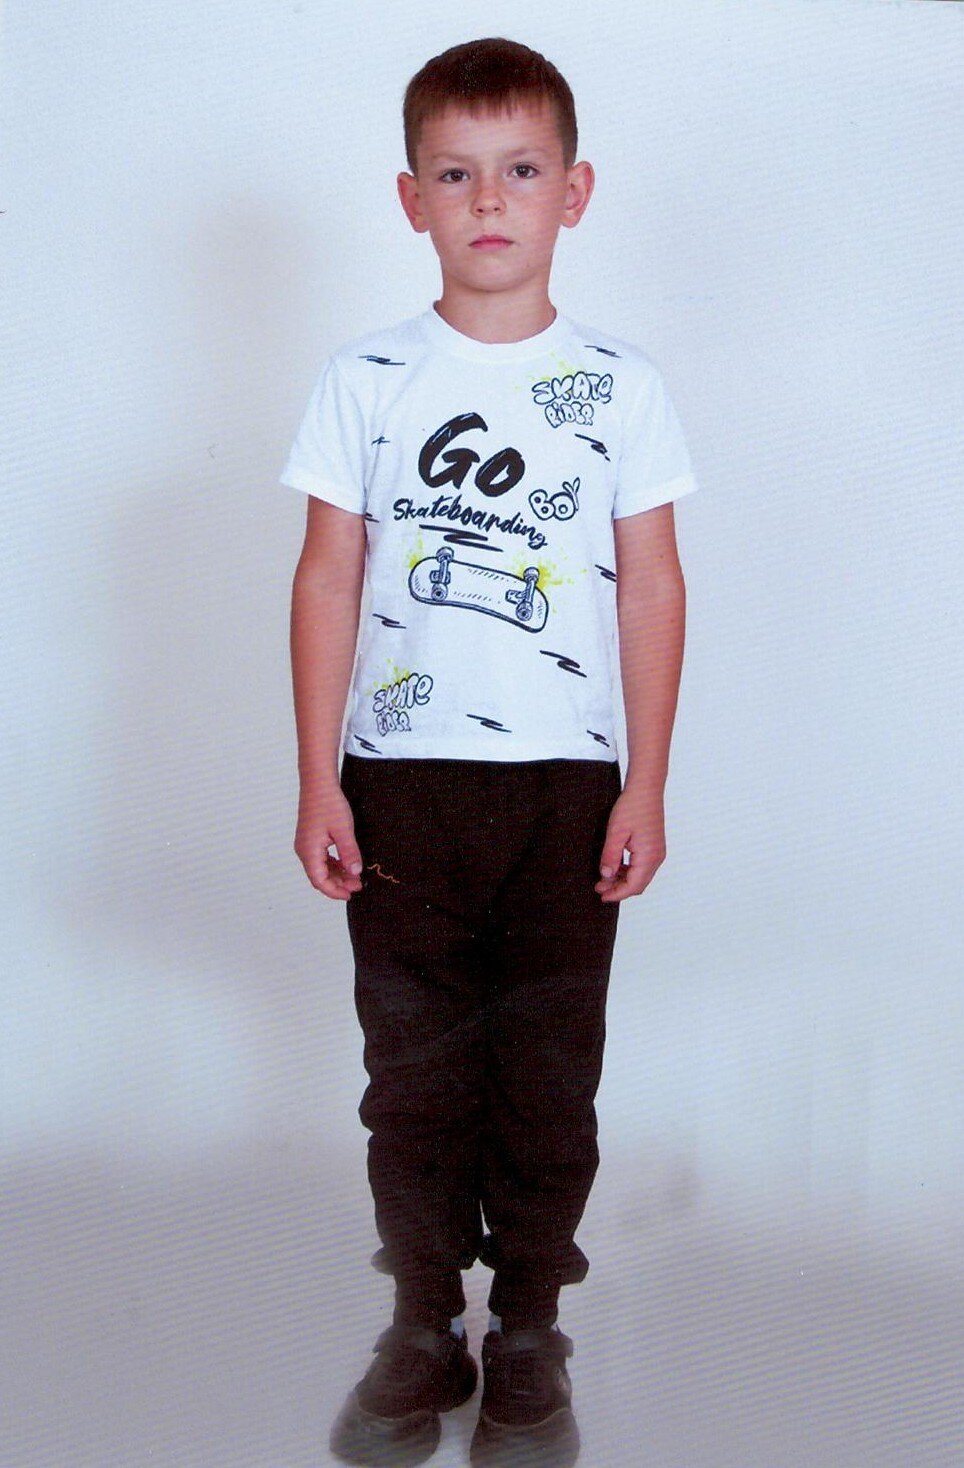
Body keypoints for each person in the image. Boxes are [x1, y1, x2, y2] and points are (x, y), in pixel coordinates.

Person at [280, 35, 698, 1468]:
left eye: (520, 170)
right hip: (400, 786)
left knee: (545, 1073)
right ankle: (420, 1321)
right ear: (412, 200)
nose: (490, 201)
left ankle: (527, 1325)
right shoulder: (368, 378)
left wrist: (646, 781)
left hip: (566, 793)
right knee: (412, 1078)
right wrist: (318, 776)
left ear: (574, 192)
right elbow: (327, 576)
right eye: (455, 176)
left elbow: (652, 585)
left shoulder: (618, 387)